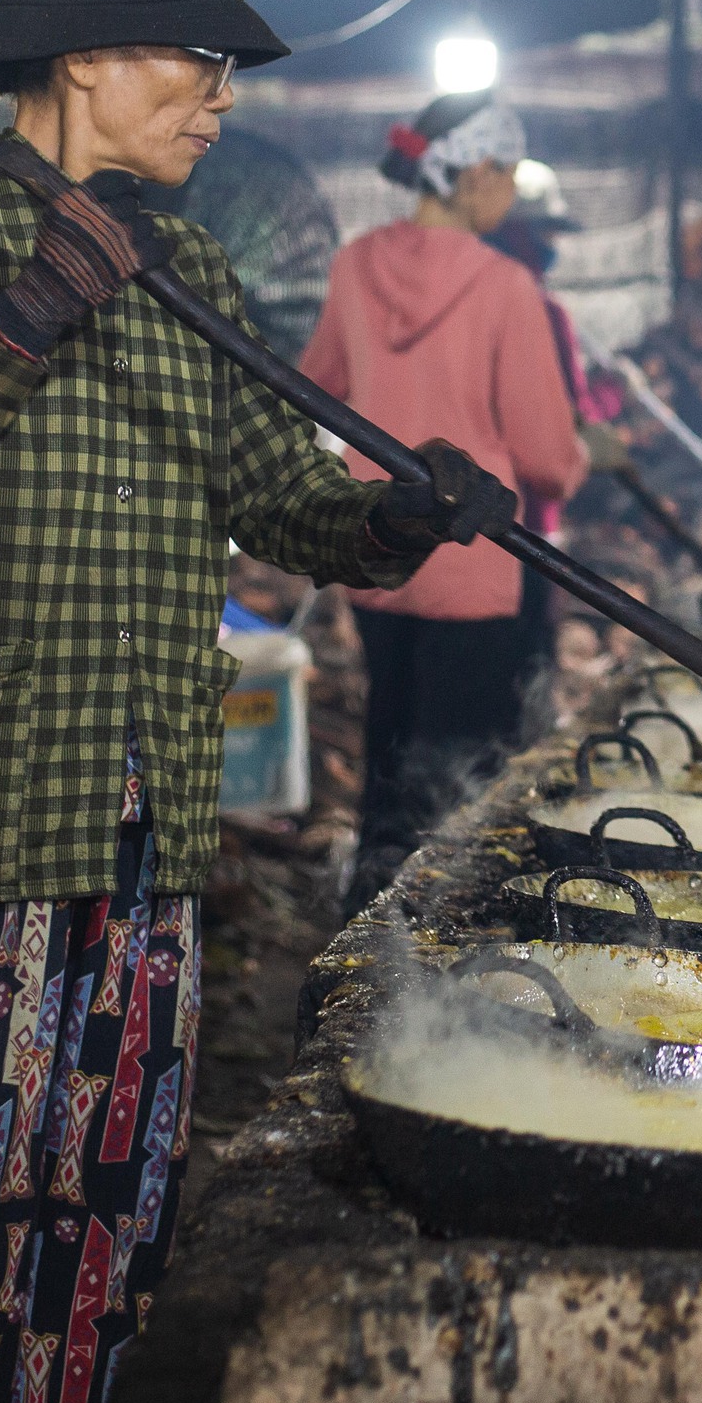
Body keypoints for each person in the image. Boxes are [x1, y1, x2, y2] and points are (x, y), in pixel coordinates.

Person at [0, 0, 510, 1403]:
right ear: (89, 57)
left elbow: (280, 496)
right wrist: (30, 313)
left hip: (142, 821)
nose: (222, 95)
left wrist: (398, 515)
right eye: (200, 58)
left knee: (101, 1218)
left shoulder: (191, 271)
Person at [300, 94, 591, 912]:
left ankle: (370, 917)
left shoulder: (355, 265)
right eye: (510, 174)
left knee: (391, 747)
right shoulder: (506, 285)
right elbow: (546, 458)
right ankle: (450, 934)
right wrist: (581, 458)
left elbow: (315, 385)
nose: (514, 193)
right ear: (475, 174)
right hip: (476, 561)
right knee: (467, 777)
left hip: (376, 546)